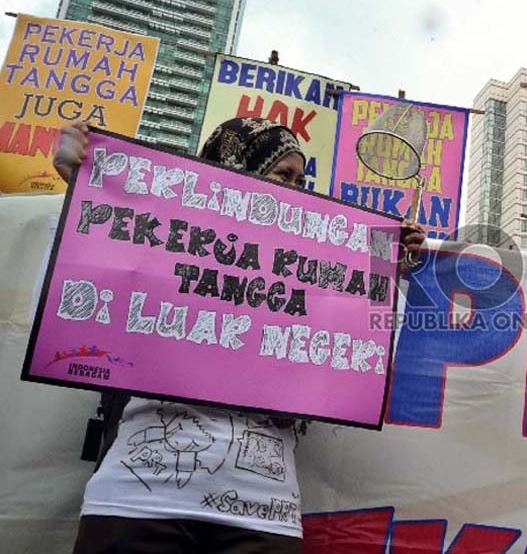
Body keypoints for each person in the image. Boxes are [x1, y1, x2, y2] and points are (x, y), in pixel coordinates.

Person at [53, 118, 425, 553]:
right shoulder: (160, 238)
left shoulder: (312, 275)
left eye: (301, 179)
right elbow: (83, 293)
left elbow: (355, 363)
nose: (295, 188)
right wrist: (85, 187)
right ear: (232, 166)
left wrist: (384, 274)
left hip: (261, 513)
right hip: (137, 503)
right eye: (283, 174)